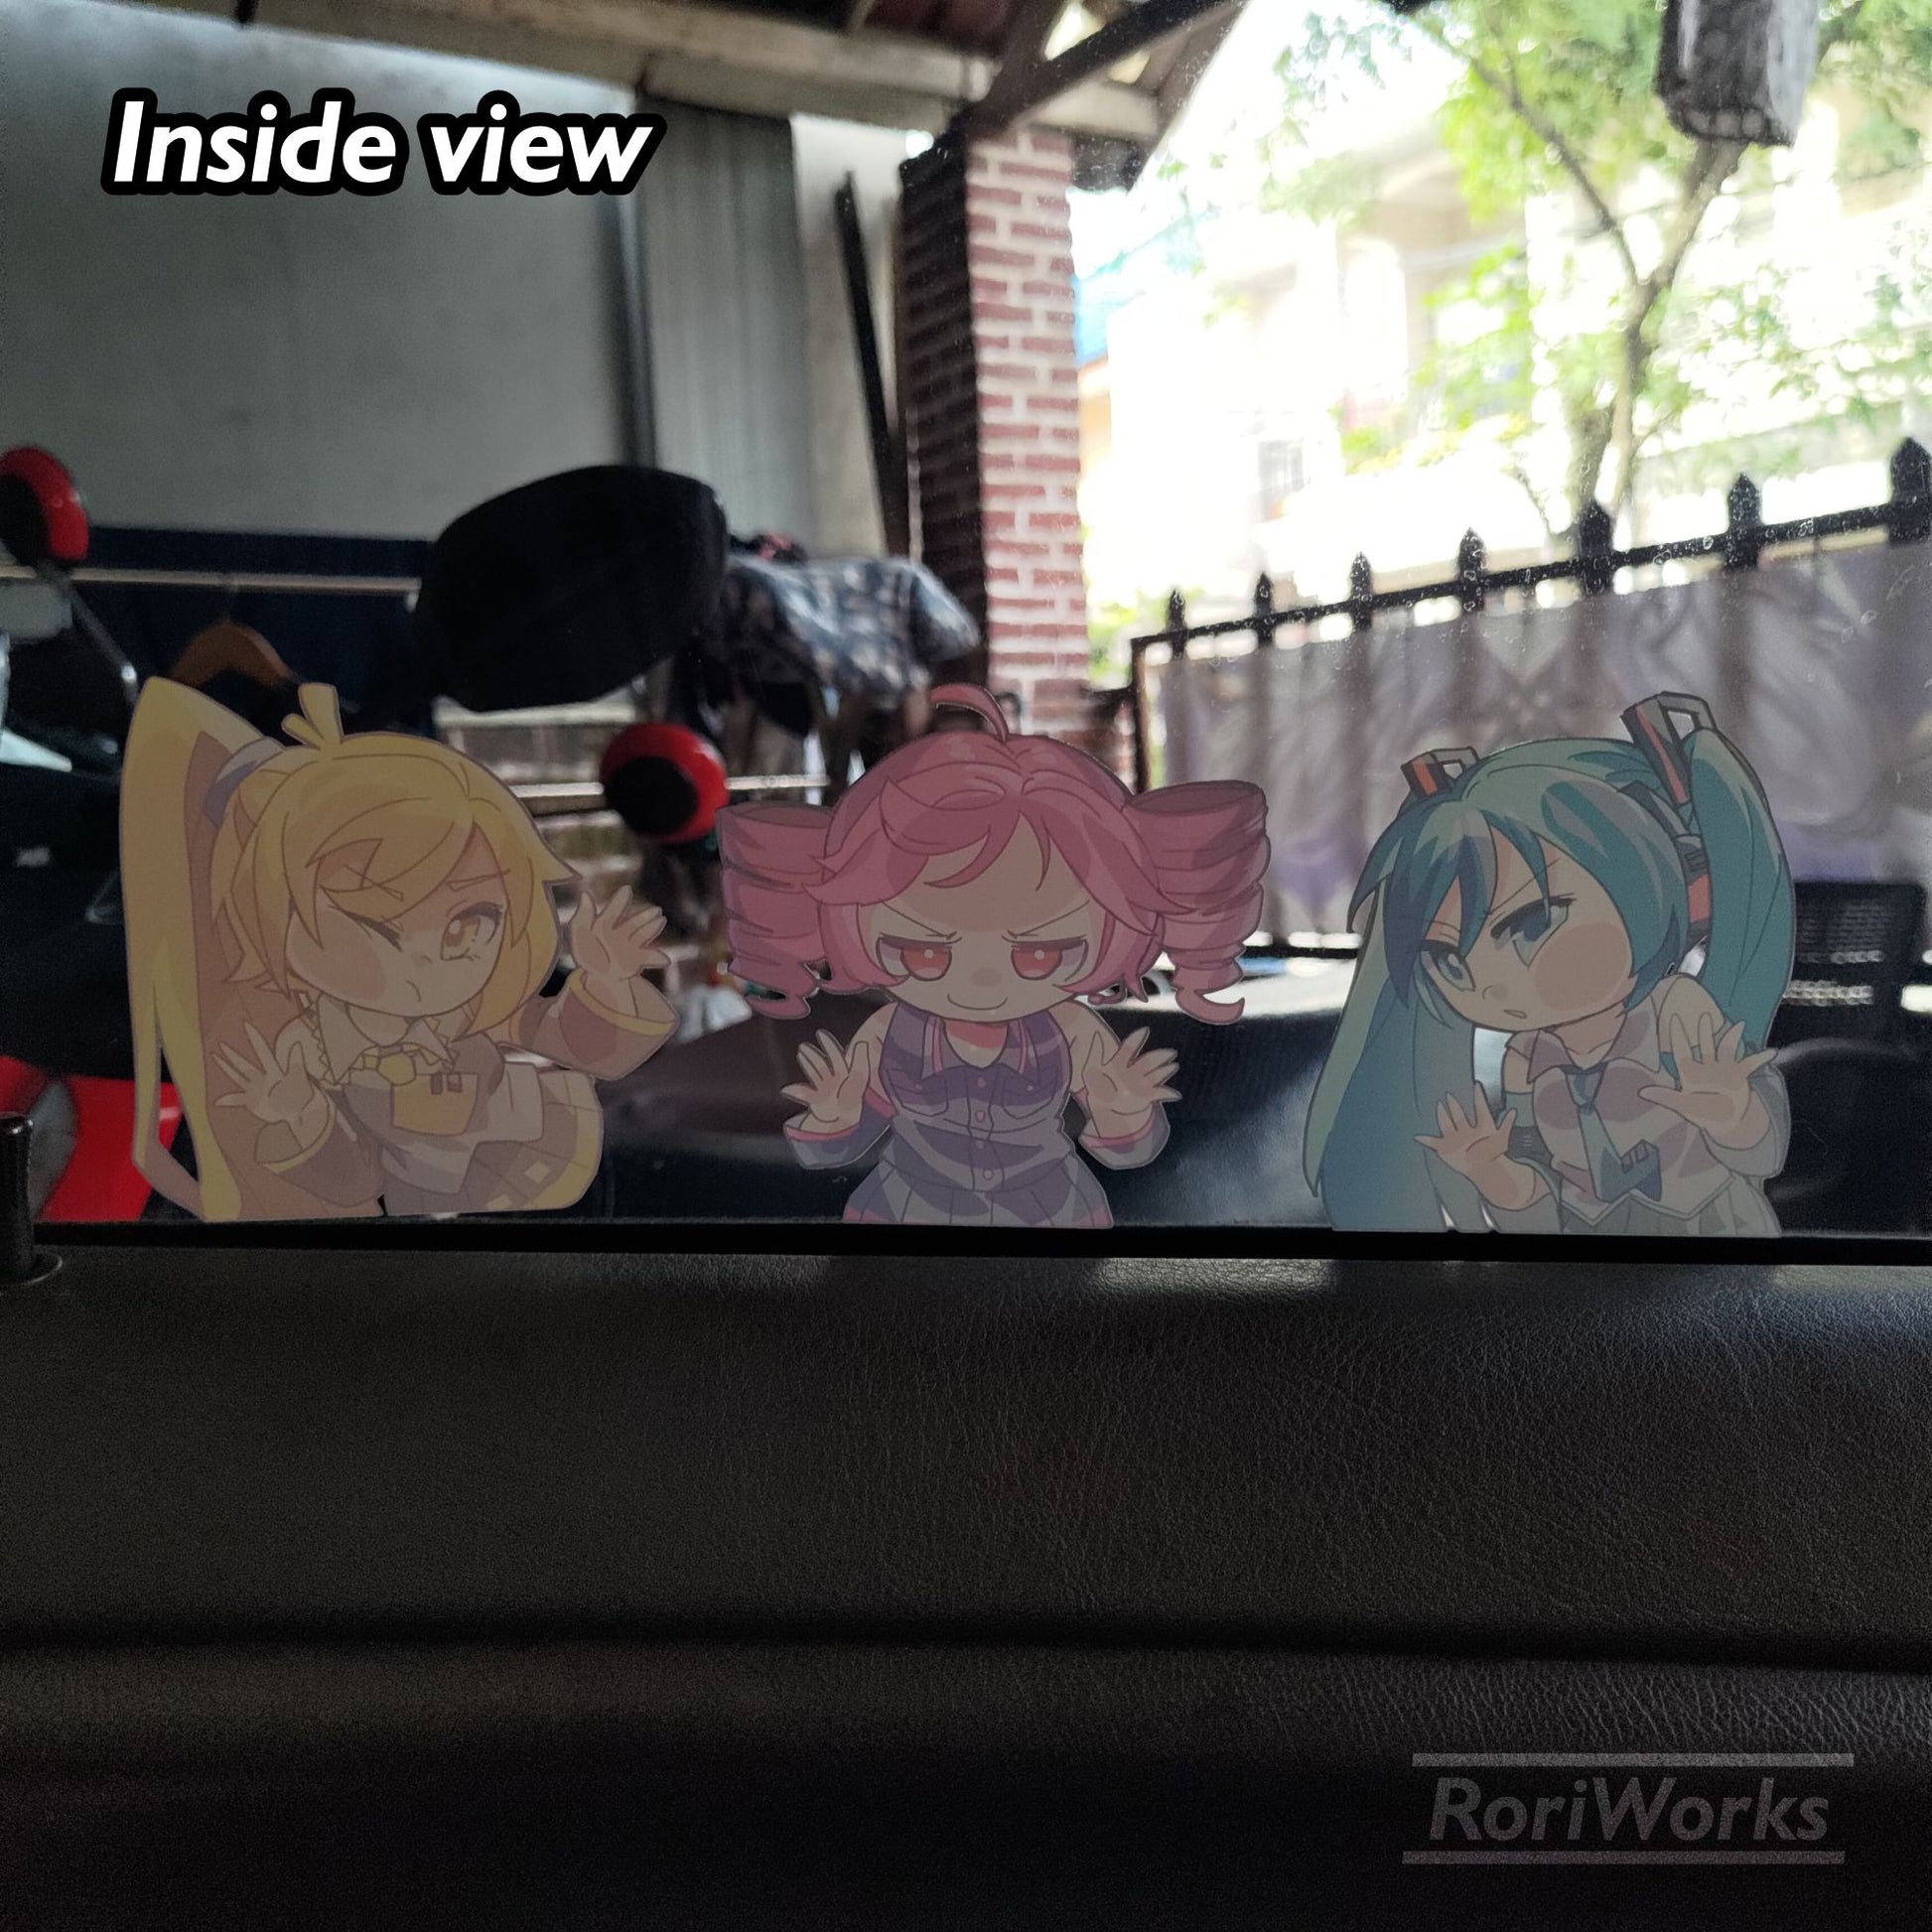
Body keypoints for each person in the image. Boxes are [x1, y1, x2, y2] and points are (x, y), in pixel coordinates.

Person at [717, 685, 1270, 1227]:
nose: (980, 979)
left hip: (1051, 1219)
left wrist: (1124, 1116)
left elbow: (1132, 1151)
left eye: (1039, 955)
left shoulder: (1073, 1032)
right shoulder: (888, 1036)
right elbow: (833, 1152)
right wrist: (834, 1120)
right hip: (908, 1219)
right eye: (924, 953)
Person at [123, 678, 675, 1220]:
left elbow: (567, 1036)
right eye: (371, 929)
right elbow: (352, 1179)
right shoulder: (299, 1039)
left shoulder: (463, 1012)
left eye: (466, 928)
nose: (422, 964)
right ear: (274, 917)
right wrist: (306, 1114)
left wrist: (605, 984)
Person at [1306, 693, 1795, 1234]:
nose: (1490, 985)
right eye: (1448, 960)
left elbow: (1763, 1153)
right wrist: (1497, 1176)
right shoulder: (1525, 1058)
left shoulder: (1679, 1011)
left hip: (1708, 1244)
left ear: (1656, 887)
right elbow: (1540, 1216)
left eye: (1533, 925)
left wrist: (1735, 1118)